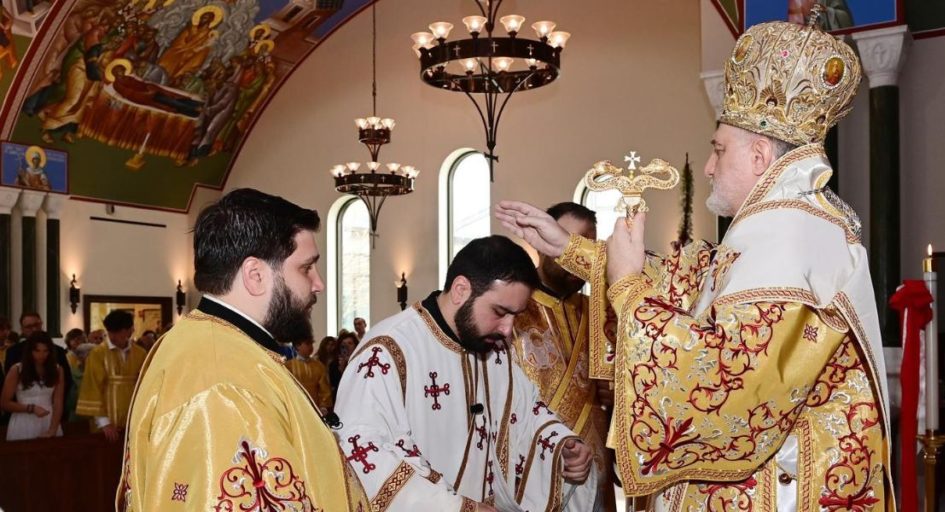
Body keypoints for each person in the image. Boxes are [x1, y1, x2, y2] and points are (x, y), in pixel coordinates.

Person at [497, 13, 893, 510]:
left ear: (759, 155)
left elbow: (722, 380)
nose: (707, 166)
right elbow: (684, 287)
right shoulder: (777, 230)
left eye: (718, 149)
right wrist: (569, 248)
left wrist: (625, 291)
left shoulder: (791, 238)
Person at [117, 188, 365, 511]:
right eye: (306, 268)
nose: (318, 284)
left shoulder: (216, 347)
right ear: (255, 275)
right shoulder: (223, 384)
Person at [335, 235, 596, 511]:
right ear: (461, 290)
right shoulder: (388, 351)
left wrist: (562, 447)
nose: (508, 329)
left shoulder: (494, 349)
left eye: (515, 316)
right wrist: (458, 508)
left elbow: (526, 412)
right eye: (500, 311)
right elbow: (363, 452)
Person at [509, 202, 617, 511]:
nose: (575, 258)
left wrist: (616, 396)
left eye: (585, 247)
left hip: (598, 479)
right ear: (542, 242)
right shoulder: (513, 313)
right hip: (537, 472)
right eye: (567, 242)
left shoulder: (600, 312)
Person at [76, 309, 147, 441]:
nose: (112, 337)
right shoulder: (98, 354)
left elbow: (146, 388)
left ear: (130, 330)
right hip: (105, 427)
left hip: (133, 422)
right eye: (110, 332)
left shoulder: (140, 354)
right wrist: (104, 423)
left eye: (118, 332)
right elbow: (92, 388)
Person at [1, 332, 64, 440]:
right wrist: (31, 408)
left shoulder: (57, 370)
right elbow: (4, 403)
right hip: (23, 421)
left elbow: (58, 401)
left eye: (45, 351)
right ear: (30, 351)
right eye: (37, 351)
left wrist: (53, 429)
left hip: (49, 420)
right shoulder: (17, 370)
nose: (42, 355)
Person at [286, 338, 332, 414]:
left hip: (315, 407)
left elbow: (324, 388)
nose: (311, 347)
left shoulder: (319, 366)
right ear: (297, 346)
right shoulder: (288, 366)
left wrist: (323, 406)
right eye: (308, 344)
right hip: (295, 407)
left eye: (312, 344)